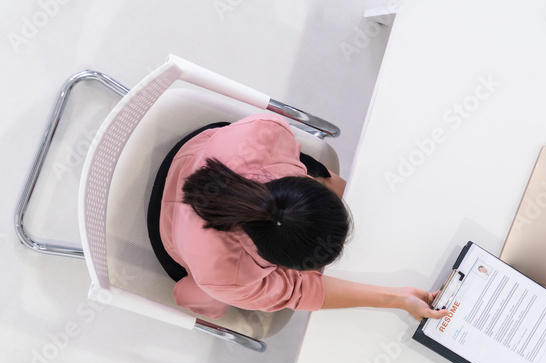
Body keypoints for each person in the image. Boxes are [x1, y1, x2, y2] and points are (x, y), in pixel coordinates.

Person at [156, 113, 444, 321]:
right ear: (279, 265)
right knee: (205, 295)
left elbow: (298, 288)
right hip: (171, 236)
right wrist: (395, 298)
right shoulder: (227, 278)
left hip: (203, 153)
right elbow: (299, 291)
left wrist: (401, 297)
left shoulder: (265, 134)